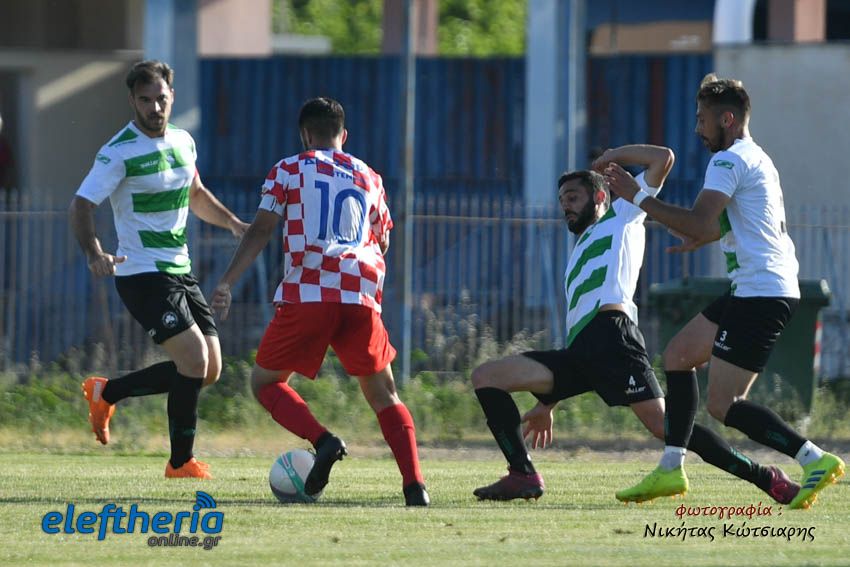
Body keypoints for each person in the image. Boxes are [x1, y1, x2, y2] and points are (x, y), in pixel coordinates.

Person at [471, 144, 801, 505]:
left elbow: (664, 158)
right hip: (580, 351)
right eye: (562, 200)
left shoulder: (622, 214)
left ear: (600, 196)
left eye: (573, 197)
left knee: (667, 428)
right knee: (487, 376)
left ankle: (766, 478)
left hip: (614, 339)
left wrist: (612, 156)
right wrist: (547, 404)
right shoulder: (578, 249)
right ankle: (522, 473)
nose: (566, 205)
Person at [606, 74, 844, 510]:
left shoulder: (728, 160)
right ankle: (671, 467)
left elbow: (700, 220)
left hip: (760, 292)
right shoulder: (757, 157)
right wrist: (704, 236)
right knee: (678, 356)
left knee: (725, 404)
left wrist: (637, 196)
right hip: (756, 288)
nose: (698, 128)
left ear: (727, 119)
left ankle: (814, 458)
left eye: (702, 119)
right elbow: (733, 223)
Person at [210, 97, 429, 506]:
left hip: (310, 291)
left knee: (265, 382)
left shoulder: (289, 169)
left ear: (305, 135)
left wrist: (227, 281)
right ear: (344, 135)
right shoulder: (369, 176)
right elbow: (382, 239)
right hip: (360, 292)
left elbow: (261, 229)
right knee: (384, 394)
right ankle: (415, 486)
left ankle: (323, 440)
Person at [69, 60, 248, 479]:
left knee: (210, 370)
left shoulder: (184, 141)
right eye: (145, 100)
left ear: (172, 97)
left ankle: (107, 392)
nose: (154, 107)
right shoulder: (119, 152)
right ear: (133, 101)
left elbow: (196, 193)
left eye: (160, 99)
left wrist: (232, 223)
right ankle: (180, 462)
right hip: (141, 274)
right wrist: (94, 251)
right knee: (194, 359)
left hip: (179, 269)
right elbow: (81, 204)